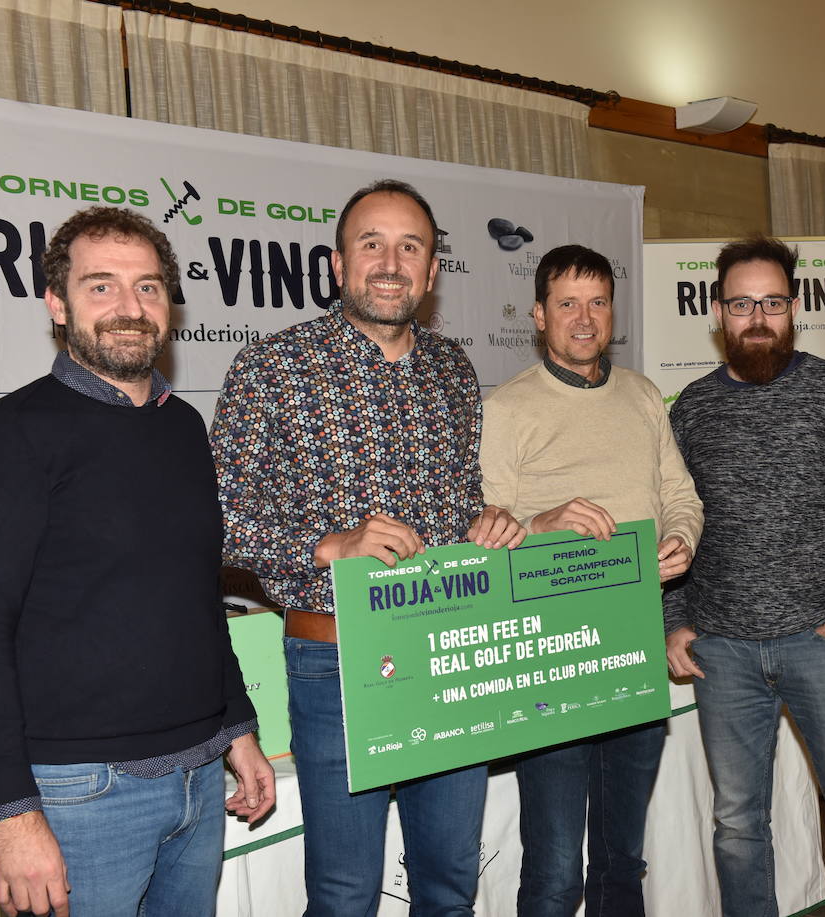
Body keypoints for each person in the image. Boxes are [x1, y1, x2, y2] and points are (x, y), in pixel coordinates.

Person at [0, 206, 275, 917]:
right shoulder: (8, 437)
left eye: (148, 287)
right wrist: (10, 813)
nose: (130, 307)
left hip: (199, 777)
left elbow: (193, 596)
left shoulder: (183, 426)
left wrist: (236, 728)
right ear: (56, 304)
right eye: (102, 287)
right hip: (81, 796)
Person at [210, 179, 524, 915]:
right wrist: (325, 546)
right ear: (336, 264)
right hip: (335, 664)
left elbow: (456, 501)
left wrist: (491, 523)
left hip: (452, 648)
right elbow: (214, 516)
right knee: (347, 894)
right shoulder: (273, 367)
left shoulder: (455, 370)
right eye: (371, 244)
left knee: (450, 886)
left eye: (410, 246)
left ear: (433, 269)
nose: (391, 261)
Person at [663, 235, 825, 917]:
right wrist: (674, 619)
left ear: (794, 306)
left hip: (819, 644)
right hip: (723, 654)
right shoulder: (692, 409)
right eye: (742, 303)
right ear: (718, 312)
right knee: (738, 827)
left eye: (772, 301)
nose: (758, 317)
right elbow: (673, 523)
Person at [480, 244, 703, 916]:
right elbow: (486, 532)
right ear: (539, 315)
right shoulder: (507, 408)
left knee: (620, 863)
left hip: (633, 646)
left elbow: (681, 494)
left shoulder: (640, 395)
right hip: (552, 660)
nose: (584, 317)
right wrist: (542, 522)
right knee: (553, 872)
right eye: (568, 303)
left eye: (598, 302)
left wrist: (681, 538)